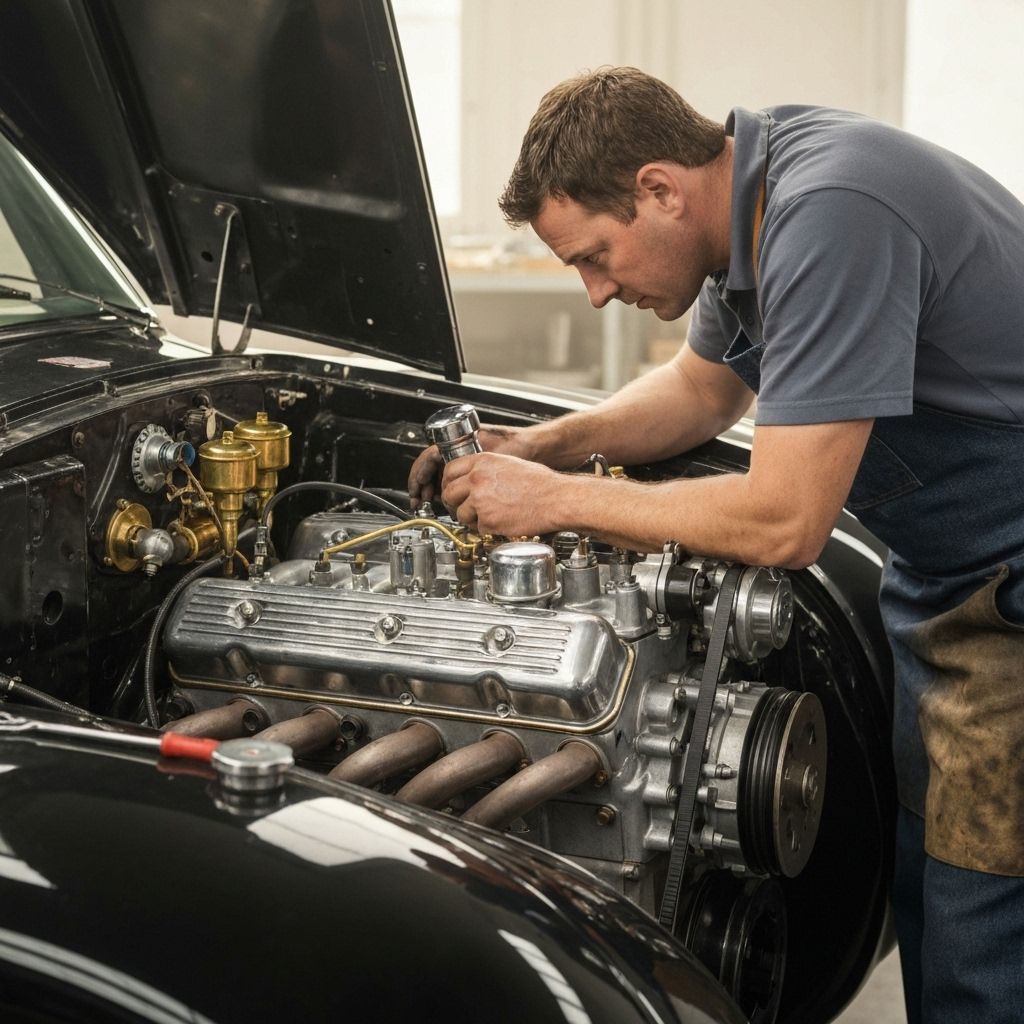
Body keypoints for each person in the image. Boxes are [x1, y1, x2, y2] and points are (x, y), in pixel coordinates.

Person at [407, 67, 1024, 1024]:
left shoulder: (829, 214)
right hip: (946, 577)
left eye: (597, 256)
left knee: (980, 916)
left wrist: (555, 502)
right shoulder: (753, 187)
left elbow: (784, 519)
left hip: (1009, 589)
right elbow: (702, 394)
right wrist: (540, 446)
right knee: (934, 877)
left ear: (658, 188)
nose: (597, 292)